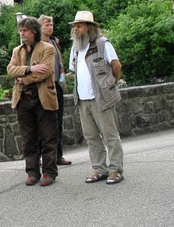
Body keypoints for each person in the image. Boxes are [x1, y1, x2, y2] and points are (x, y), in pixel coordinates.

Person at [67, 11, 124, 184]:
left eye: (79, 25)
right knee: (91, 137)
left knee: (110, 135)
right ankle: (99, 169)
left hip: (102, 98)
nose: (75, 29)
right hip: (83, 100)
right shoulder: (75, 48)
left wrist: (111, 83)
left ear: (89, 27)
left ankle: (115, 170)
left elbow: (116, 65)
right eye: (74, 26)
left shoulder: (102, 43)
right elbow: (73, 71)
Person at [7, 17, 58, 187]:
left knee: (48, 137)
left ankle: (49, 172)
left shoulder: (47, 48)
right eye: (20, 30)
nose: (22, 33)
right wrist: (30, 69)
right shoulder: (17, 51)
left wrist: (24, 79)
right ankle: (32, 172)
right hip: (23, 100)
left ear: (34, 31)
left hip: (43, 97)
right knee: (28, 138)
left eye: (25, 30)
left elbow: (45, 72)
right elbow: (11, 70)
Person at [38, 15, 72, 166]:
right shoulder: (38, 44)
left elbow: (60, 63)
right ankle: (43, 156)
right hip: (44, 86)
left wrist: (63, 78)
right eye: (46, 25)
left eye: (51, 24)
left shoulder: (54, 42)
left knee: (58, 121)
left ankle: (58, 155)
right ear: (40, 27)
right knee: (43, 123)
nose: (50, 27)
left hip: (56, 84)